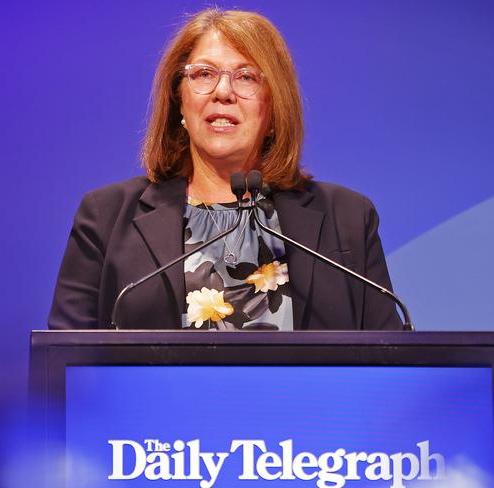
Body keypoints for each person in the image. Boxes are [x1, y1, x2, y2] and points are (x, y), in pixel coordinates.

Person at [48, 8, 403, 331]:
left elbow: (388, 365)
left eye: (246, 77)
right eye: (204, 74)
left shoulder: (348, 218)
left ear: (275, 110)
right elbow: (64, 369)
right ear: (179, 102)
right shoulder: (107, 217)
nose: (223, 92)